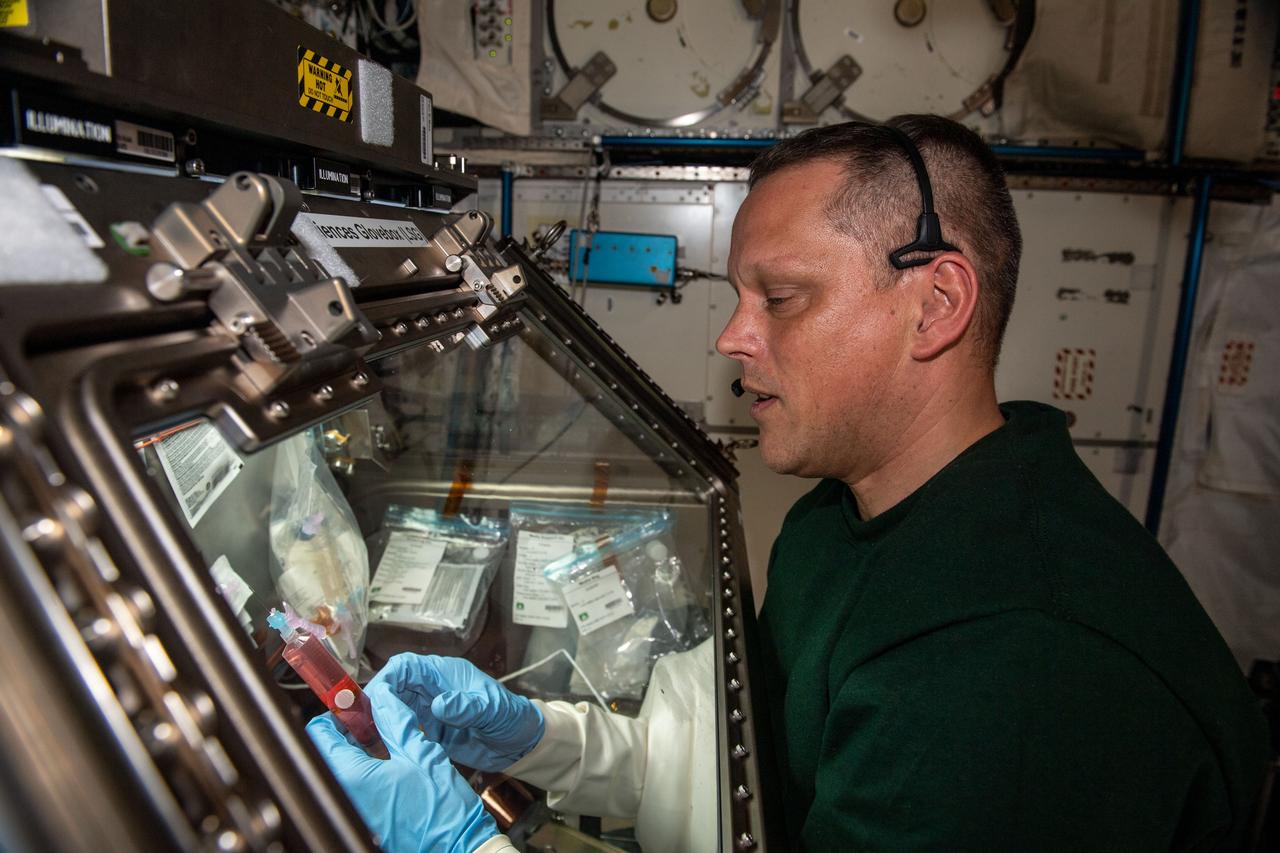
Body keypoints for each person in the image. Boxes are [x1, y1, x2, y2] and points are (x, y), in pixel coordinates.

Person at [309, 116, 1270, 851]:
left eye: (783, 296)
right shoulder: (838, 521)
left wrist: (463, 843)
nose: (733, 336)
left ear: (934, 304)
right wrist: (533, 740)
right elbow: (745, 775)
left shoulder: (1012, 664)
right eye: (737, 296)